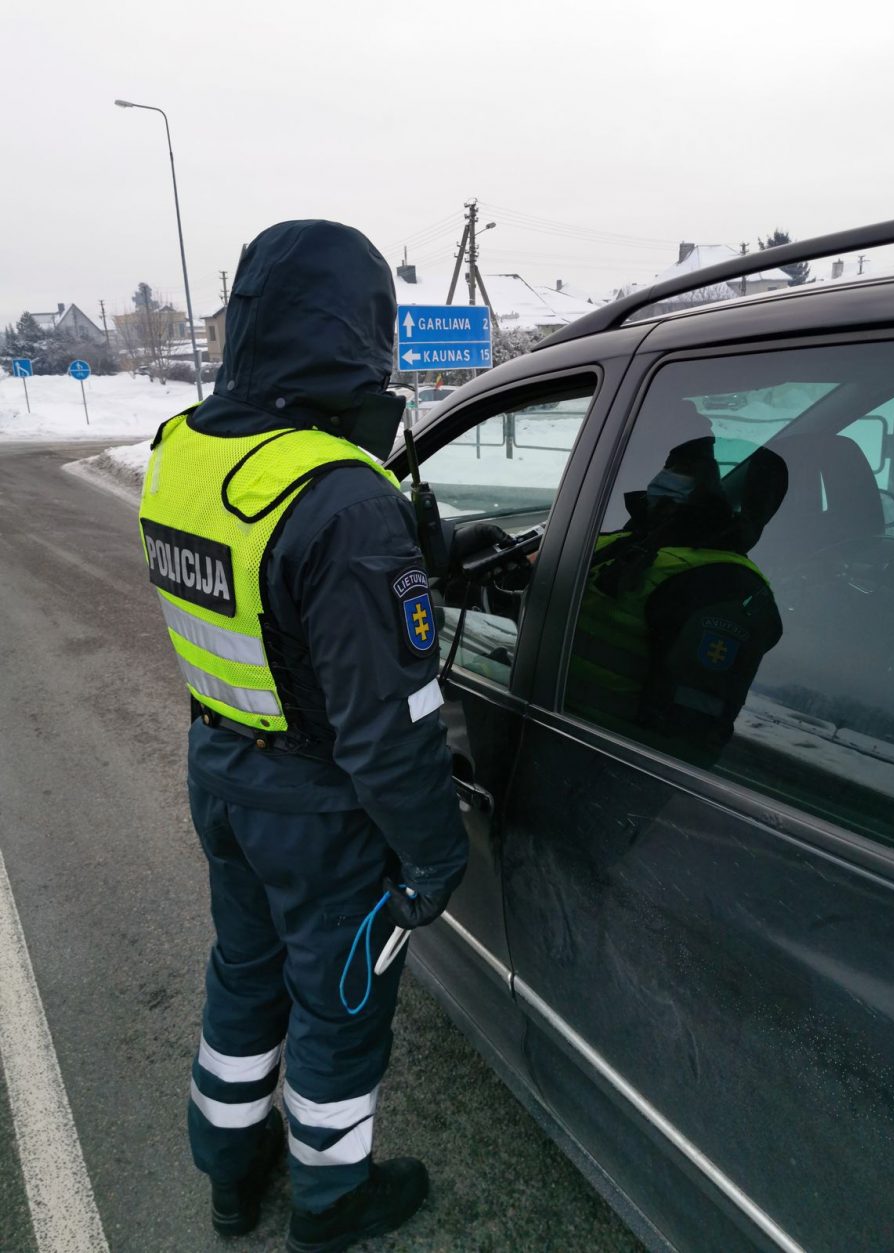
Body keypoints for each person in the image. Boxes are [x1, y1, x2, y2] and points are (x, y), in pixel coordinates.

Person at [138, 220, 468, 1251]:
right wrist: (432, 849)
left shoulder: (179, 448)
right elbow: (391, 727)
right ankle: (331, 1203)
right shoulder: (341, 498)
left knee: (244, 968)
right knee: (336, 1003)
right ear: (355, 328)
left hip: (223, 768)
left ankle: (231, 1171)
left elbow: (266, 599)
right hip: (321, 809)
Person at [566, 430, 787, 764]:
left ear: (711, 488)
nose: (663, 479)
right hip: (558, 724)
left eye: (683, 470)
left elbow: (684, 738)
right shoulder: (632, 539)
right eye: (669, 465)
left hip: (602, 758)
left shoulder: (721, 584)